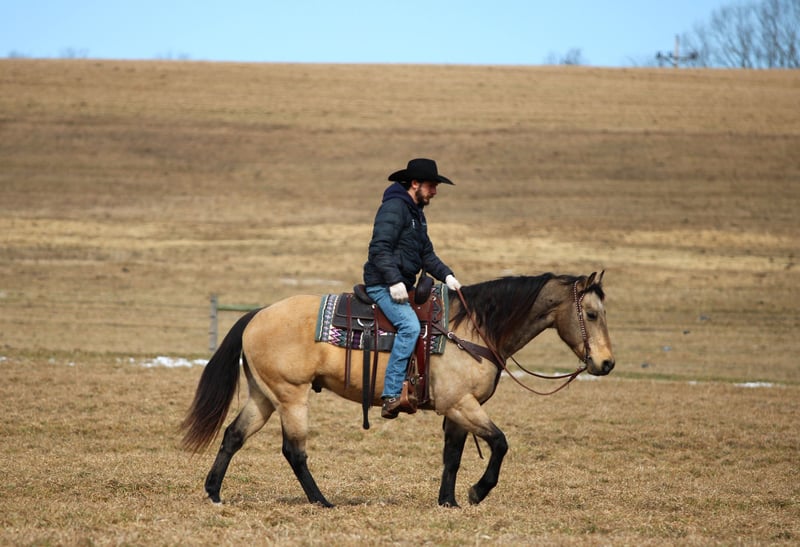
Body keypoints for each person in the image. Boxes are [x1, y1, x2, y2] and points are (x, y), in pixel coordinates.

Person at [363, 158, 462, 419]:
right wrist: (393, 280)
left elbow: (426, 254)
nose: (435, 192)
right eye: (431, 186)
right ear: (415, 184)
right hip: (383, 285)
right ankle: (391, 394)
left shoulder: (416, 213)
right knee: (409, 327)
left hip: (399, 284)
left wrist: (447, 275)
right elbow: (379, 248)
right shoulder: (394, 208)